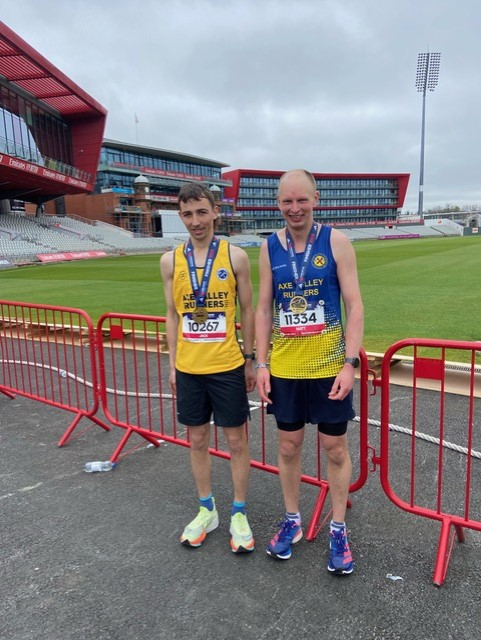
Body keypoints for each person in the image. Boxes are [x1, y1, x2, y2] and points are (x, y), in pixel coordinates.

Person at [255, 169, 364, 574]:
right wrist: (261, 362)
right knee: (287, 447)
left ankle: (338, 527)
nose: (295, 208)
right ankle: (292, 520)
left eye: (302, 200)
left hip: (328, 366)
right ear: (278, 204)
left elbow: (354, 305)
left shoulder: (336, 241)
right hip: (284, 368)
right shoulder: (269, 247)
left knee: (335, 449)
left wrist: (349, 363)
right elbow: (264, 308)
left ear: (315, 199)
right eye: (287, 201)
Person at [160, 182, 256, 554]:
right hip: (188, 368)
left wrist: (249, 358)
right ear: (180, 216)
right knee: (197, 440)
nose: (195, 221)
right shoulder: (170, 261)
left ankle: (239, 513)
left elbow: (247, 310)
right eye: (187, 214)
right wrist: (172, 363)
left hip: (228, 365)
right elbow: (172, 314)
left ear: (216, 211)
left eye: (202, 212)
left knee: (236, 442)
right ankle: (206, 510)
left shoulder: (235, 257)